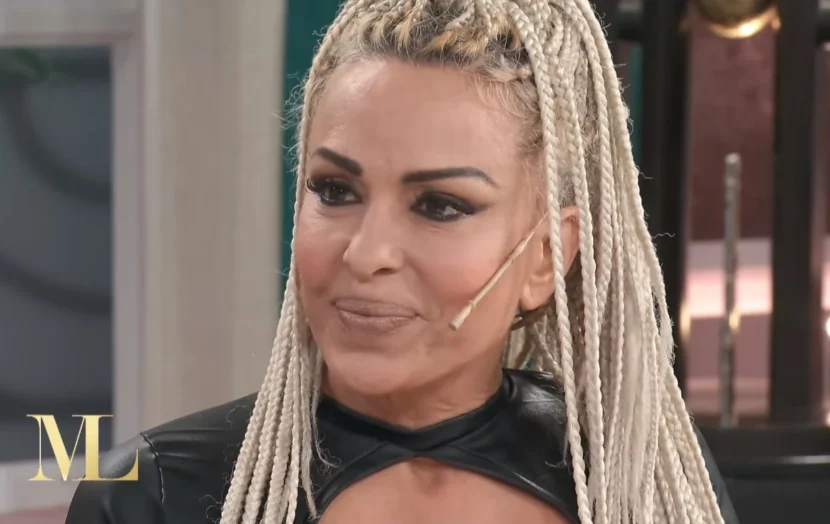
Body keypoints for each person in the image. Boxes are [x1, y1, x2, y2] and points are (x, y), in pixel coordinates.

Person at [65, 1, 740, 523]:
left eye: (439, 206)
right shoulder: (151, 493)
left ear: (546, 257)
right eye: (335, 190)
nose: (366, 254)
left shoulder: (639, 475)